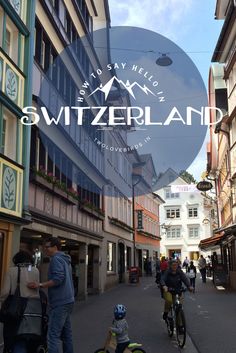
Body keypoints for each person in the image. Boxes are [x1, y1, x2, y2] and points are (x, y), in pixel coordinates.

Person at [28, 237, 74, 353]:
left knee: (53, 336)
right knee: (67, 336)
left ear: (55, 247)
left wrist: (40, 285)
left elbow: (58, 279)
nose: (45, 249)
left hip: (60, 302)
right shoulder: (65, 259)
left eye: (47, 247)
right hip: (68, 300)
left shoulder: (56, 259)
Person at [0, 251, 40, 353]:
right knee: (28, 336)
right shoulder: (35, 270)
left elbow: (5, 292)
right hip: (33, 309)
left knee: (14, 335)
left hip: (16, 307)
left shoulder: (11, 271)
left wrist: (2, 303)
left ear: (16, 259)